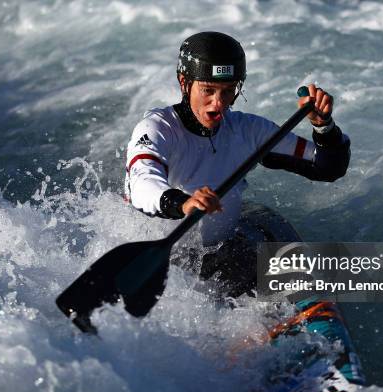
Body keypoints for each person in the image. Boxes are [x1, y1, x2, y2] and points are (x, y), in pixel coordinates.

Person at [125, 31, 350, 297]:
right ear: (184, 82)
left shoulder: (248, 131)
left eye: (228, 91)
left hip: (221, 250)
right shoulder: (157, 128)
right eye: (208, 90)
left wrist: (323, 126)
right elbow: (142, 182)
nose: (218, 104)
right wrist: (182, 203)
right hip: (165, 258)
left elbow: (327, 168)